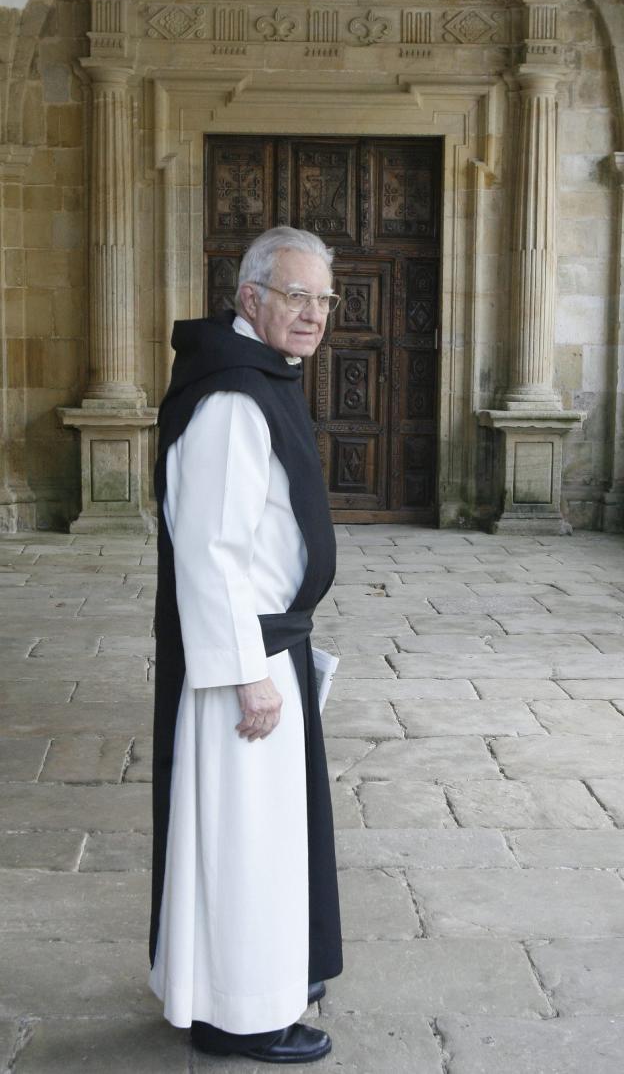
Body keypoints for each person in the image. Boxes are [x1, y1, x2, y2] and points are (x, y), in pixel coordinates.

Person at [149, 227, 343, 1063]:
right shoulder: (232, 399)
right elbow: (209, 549)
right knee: (246, 845)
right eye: (294, 296)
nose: (311, 314)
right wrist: (248, 676)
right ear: (250, 298)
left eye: (323, 299)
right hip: (247, 662)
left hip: (267, 650)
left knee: (262, 837)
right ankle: (246, 1016)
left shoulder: (259, 377)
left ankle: (256, 980)